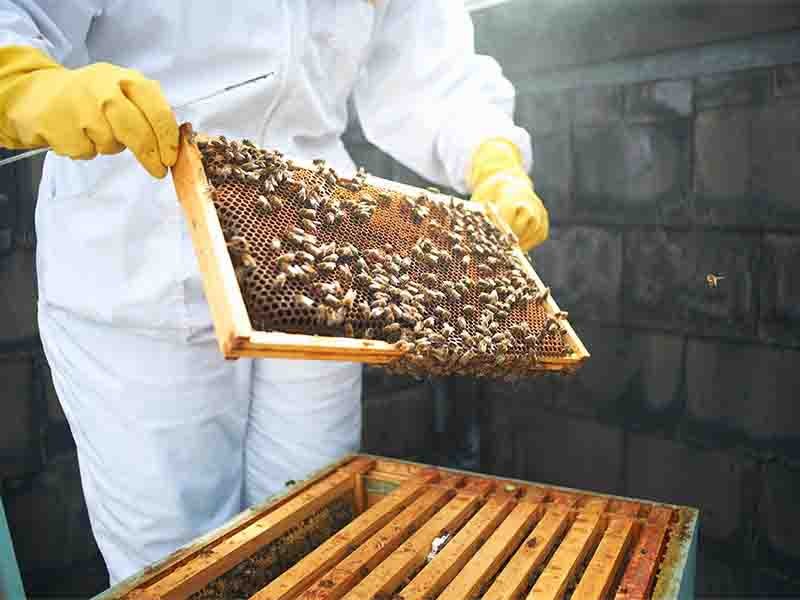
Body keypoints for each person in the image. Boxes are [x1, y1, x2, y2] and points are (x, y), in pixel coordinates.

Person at [0, 1, 549, 585]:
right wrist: (21, 78)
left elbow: (425, 64)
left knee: (311, 534)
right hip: (138, 253)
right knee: (178, 565)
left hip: (317, 254)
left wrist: (489, 151)